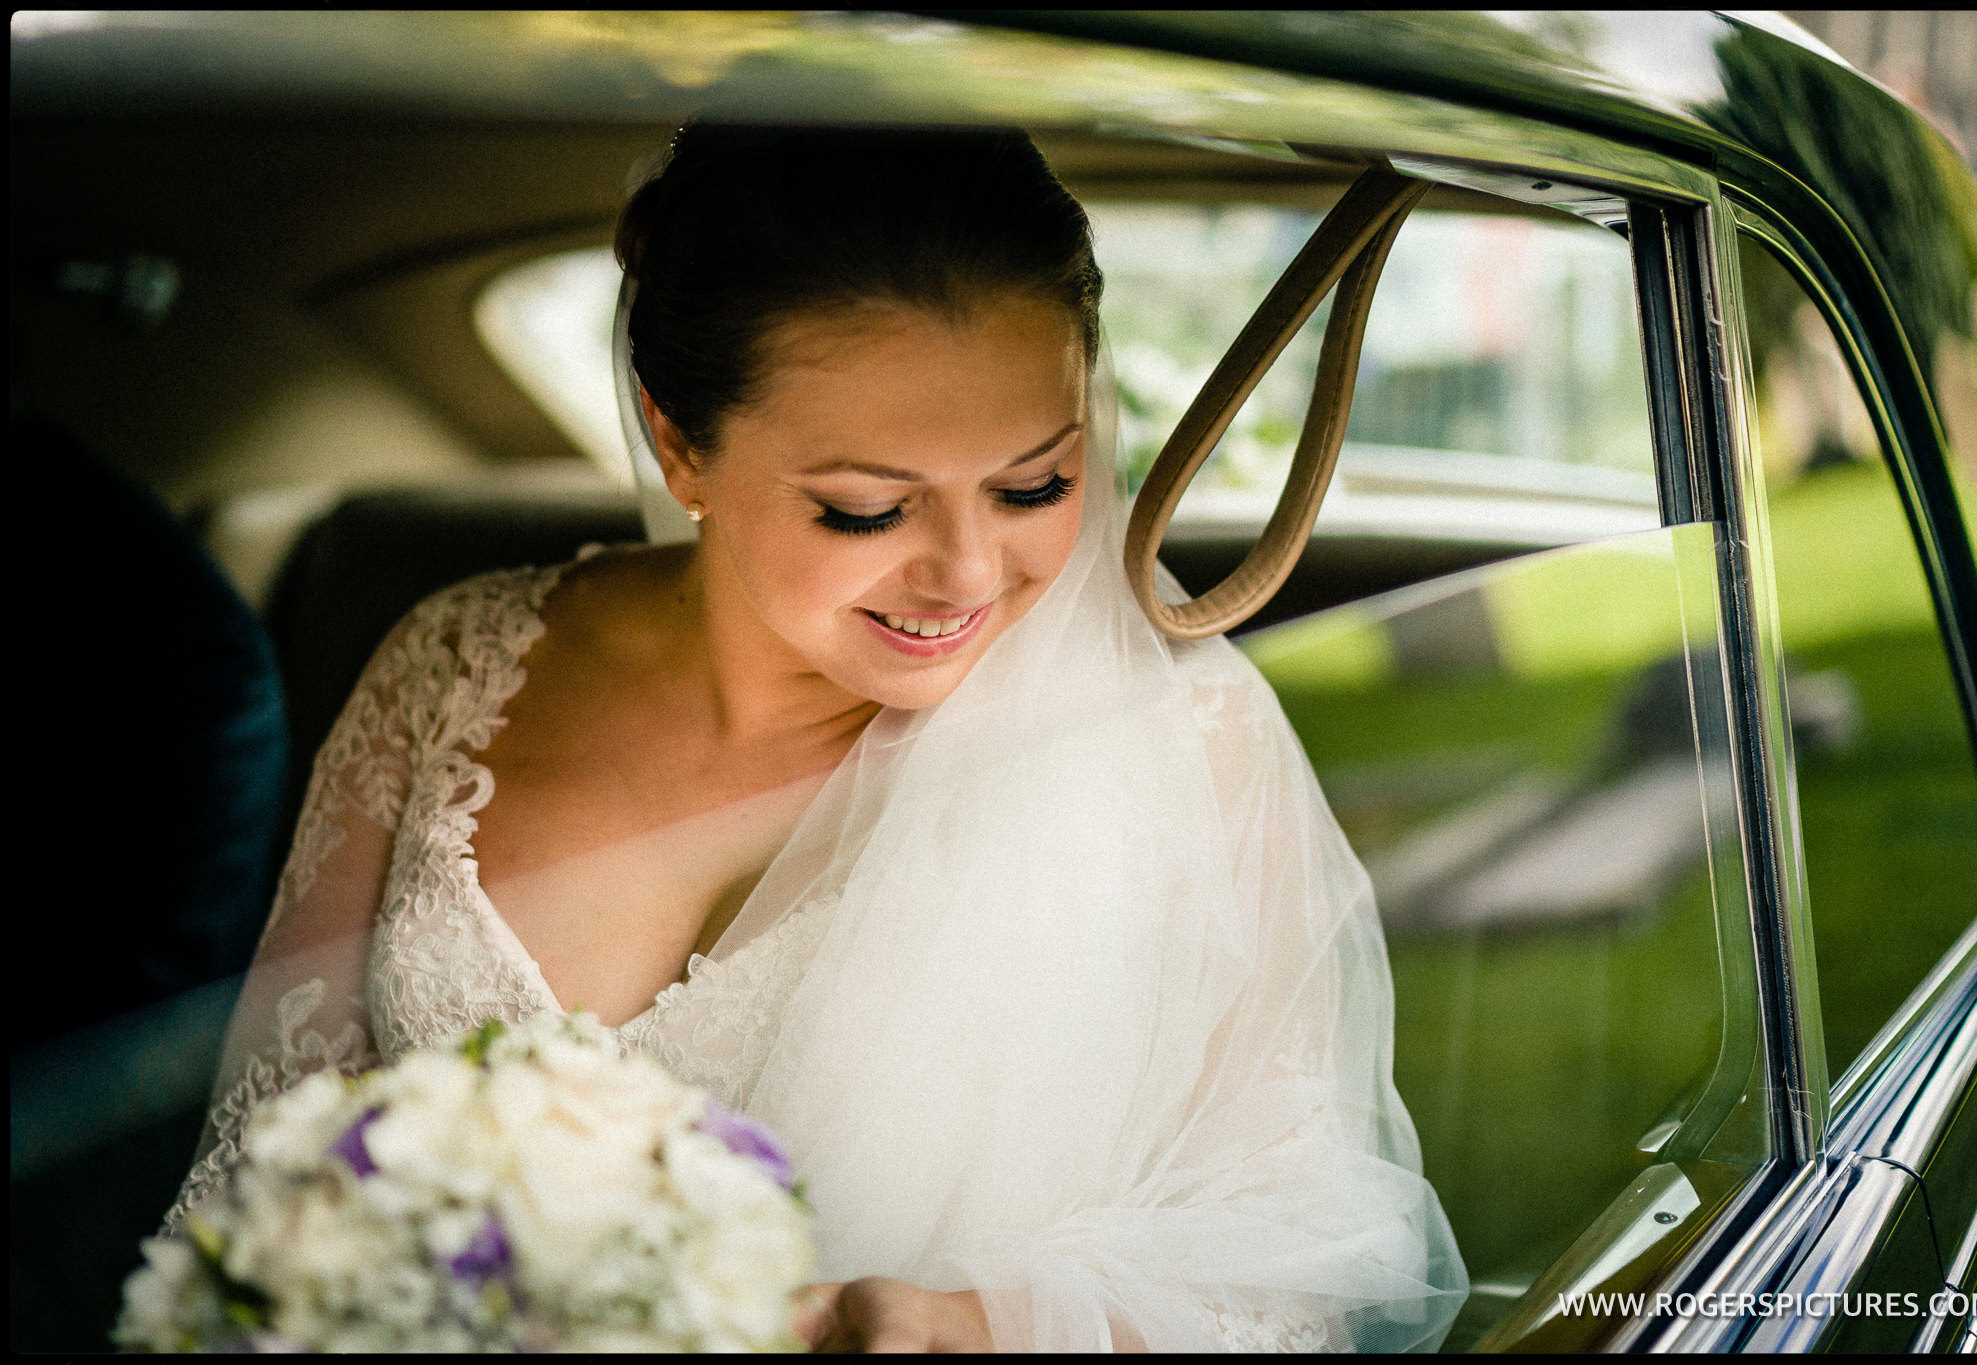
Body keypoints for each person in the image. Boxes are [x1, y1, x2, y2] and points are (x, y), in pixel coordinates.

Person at [164, 125, 1467, 1351]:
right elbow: (256, 1186)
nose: (966, 570)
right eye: (865, 507)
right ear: (679, 442)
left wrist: (983, 1322)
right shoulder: (449, 663)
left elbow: (1308, 1260)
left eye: (1034, 484)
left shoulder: (1183, 735)